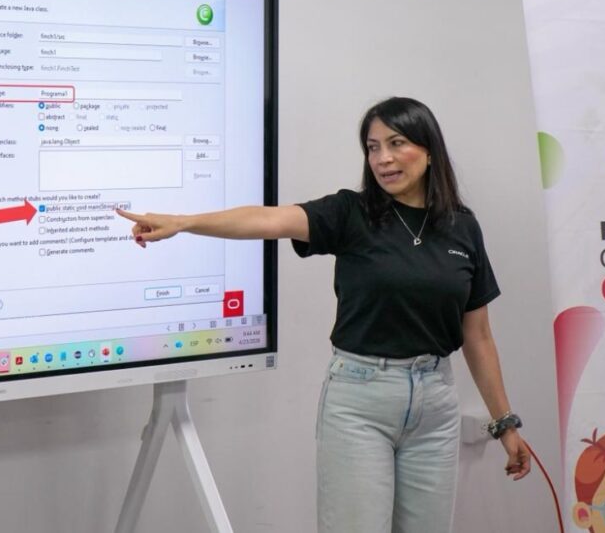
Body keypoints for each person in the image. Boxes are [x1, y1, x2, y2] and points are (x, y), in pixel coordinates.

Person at [116, 96, 531, 532]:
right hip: (360, 403)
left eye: (396, 143)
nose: (383, 158)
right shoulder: (352, 213)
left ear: (428, 151)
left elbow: (478, 336)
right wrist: (184, 223)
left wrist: (505, 423)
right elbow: (268, 220)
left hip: (435, 404)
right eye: (372, 147)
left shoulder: (462, 227)